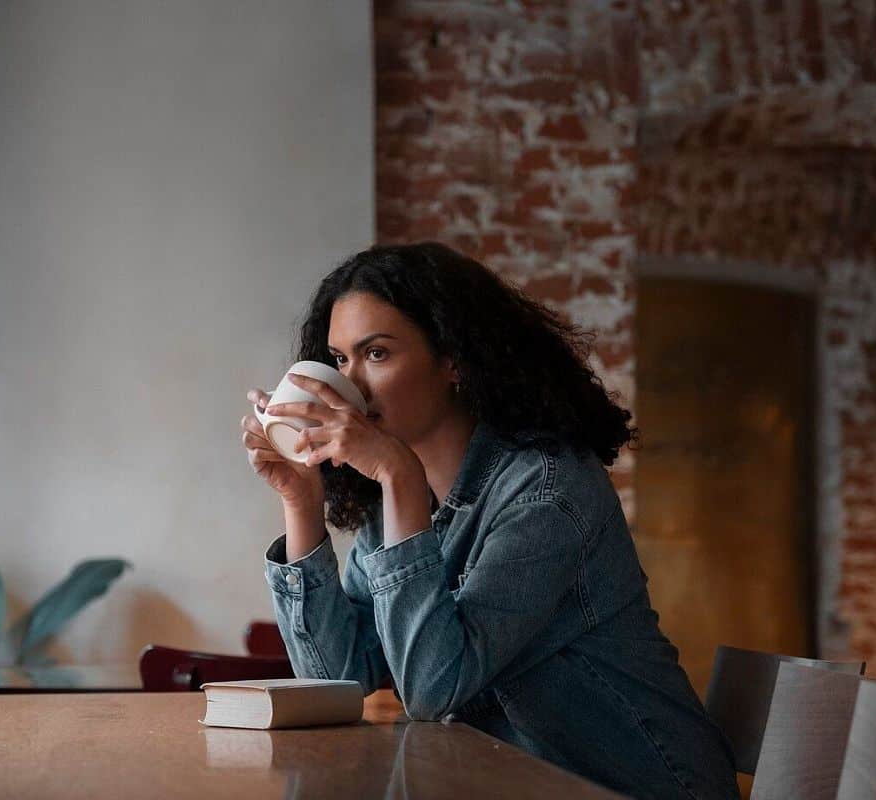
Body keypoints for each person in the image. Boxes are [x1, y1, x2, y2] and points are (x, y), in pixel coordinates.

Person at [240, 242, 739, 799]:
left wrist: (398, 478)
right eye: (339, 360)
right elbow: (336, 682)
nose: (351, 385)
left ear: (454, 360)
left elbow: (432, 690)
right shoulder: (397, 501)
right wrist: (301, 502)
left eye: (376, 354)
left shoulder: (547, 488)